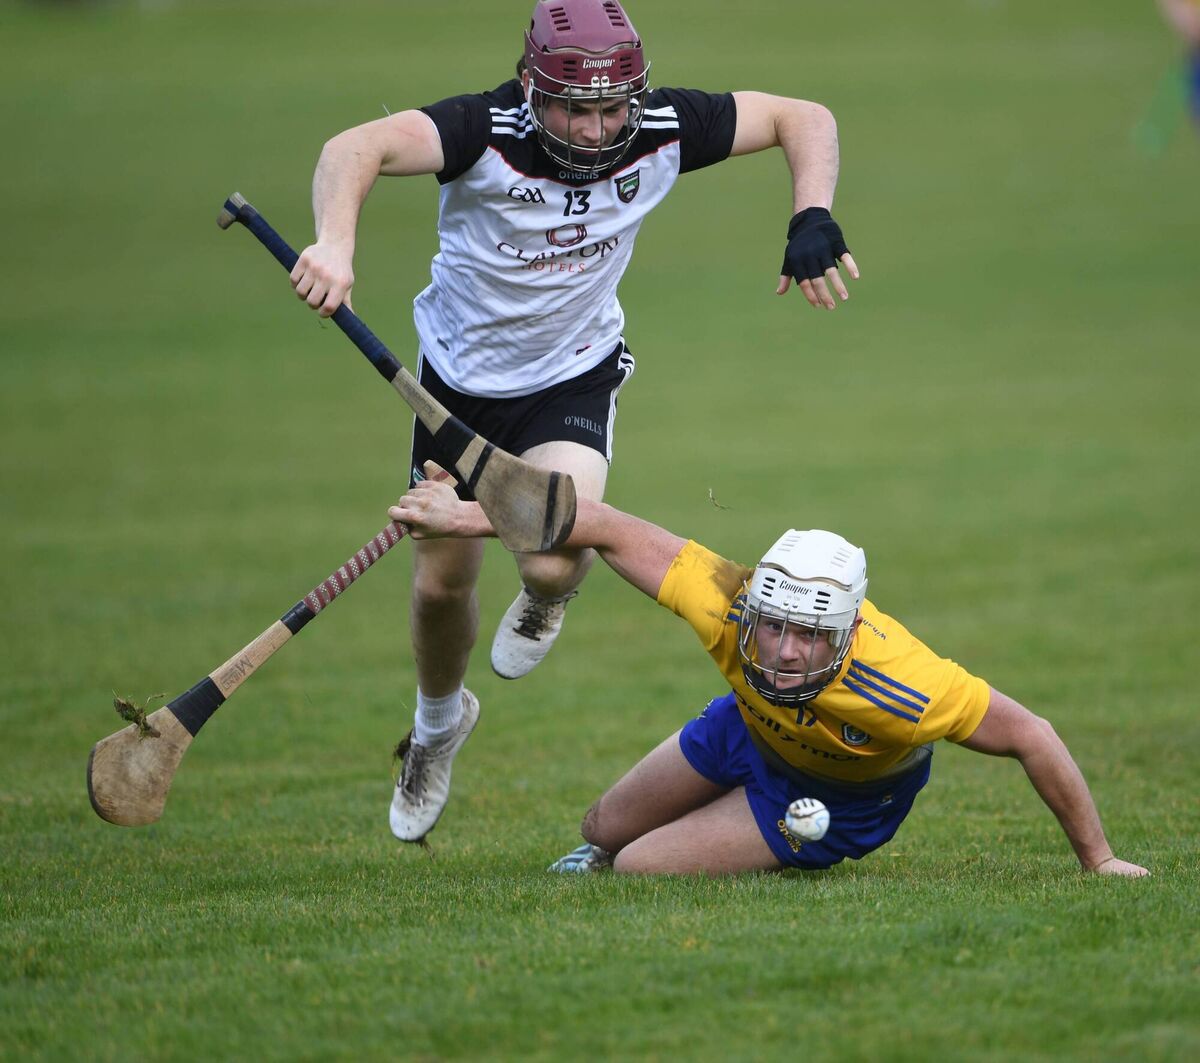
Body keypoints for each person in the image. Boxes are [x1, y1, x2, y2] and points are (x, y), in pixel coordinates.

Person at [287, 0, 861, 843]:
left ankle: (546, 595)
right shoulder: (480, 130)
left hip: (572, 378)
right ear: (533, 87)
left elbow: (800, 116)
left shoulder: (660, 128)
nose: (595, 131)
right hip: (455, 391)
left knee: (552, 563)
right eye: (574, 109)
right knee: (442, 583)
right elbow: (354, 147)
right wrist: (336, 243)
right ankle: (438, 723)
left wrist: (810, 212)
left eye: (610, 108)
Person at [388, 475, 1150, 878]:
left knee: (640, 866)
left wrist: (1099, 858)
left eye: (807, 636)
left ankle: (755, 834)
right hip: (747, 728)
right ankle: (712, 809)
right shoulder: (731, 602)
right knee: (601, 833)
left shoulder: (907, 686)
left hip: (844, 798)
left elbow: (1032, 735)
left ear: (847, 635)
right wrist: (473, 516)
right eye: (774, 625)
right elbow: (606, 522)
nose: (783, 649)